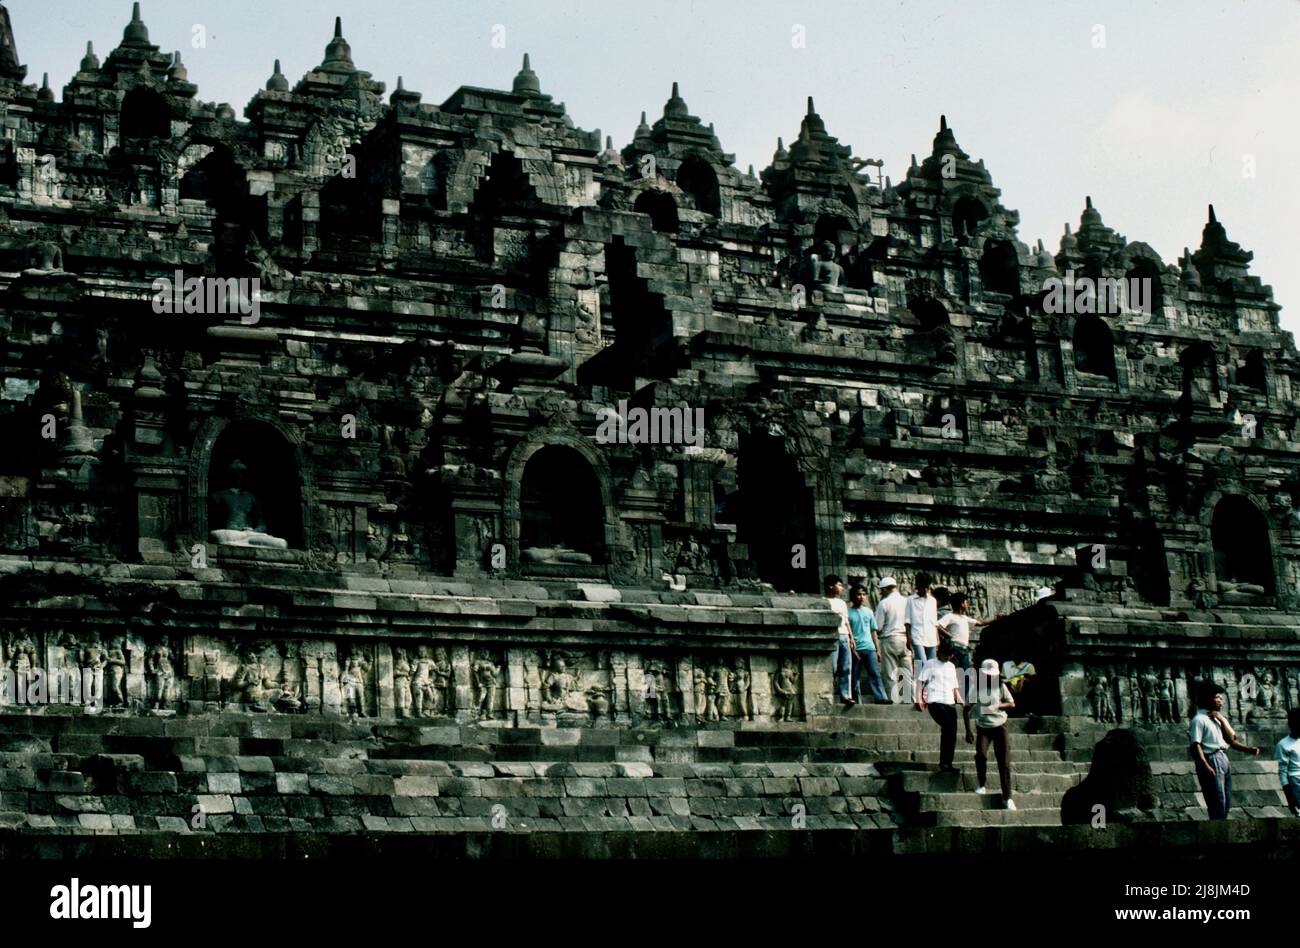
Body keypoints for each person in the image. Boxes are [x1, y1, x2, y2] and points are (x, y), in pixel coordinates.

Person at [1188, 682, 1260, 820]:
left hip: (1223, 758)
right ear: (1208, 698)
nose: (1221, 701)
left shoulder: (1217, 719)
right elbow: (1196, 745)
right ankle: (1217, 828)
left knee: (1226, 798)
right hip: (1211, 758)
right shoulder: (1199, 720)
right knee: (1217, 799)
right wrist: (1205, 765)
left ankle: (1222, 824)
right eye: (1218, 698)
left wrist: (1248, 749)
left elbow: (1231, 739)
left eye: (1222, 698)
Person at [964, 659, 1016, 810]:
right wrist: (968, 730)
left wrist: (998, 705)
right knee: (981, 754)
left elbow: (1012, 703)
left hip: (1000, 725)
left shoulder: (1000, 686)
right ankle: (981, 784)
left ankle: (1008, 797)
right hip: (983, 726)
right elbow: (966, 709)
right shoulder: (976, 688)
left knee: (1004, 761)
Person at [916, 640, 963, 774]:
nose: (948, 657)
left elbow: (954, 687)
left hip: (949, 701)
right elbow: (920, 681)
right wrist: (918, 698)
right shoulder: (930, 664)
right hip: (934, 700)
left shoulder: (951, 667)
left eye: (950, 655)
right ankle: (944, 763)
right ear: (939, 652)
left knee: (952, 733)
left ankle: (947, 763)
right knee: (947, 726)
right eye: (946, 654)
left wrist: (960, 700)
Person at [847, 584, 888, 704]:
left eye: (864, 594)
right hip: (856, 648)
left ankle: (881, 698)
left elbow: (873, 632)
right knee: (854, 676)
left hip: (870, 648)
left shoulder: (869, 612)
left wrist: (878, 650)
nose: (861, 597)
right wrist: (852, 648)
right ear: (853, 596)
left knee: (875, 674)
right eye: (858, 594)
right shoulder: (848, 612)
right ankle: (855, 699)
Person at [874, 577, 910, 703]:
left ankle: (894, 701)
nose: (881, 593)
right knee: (907, 672)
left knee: (890, 674)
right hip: (906, 639)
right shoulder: (906, 601)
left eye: (881, 590)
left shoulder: (884, 603)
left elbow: (877, 626)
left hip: (889, 639)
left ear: (885, 589)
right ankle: (910, 700)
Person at [825, 574, 855, 706]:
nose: (841, 588)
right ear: (831, 586)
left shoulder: (842, 603)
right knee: (832, 667)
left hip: (844, 635)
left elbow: (846, 621)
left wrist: (851, 637)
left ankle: (845, 695)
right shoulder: (824, 602)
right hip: (832, 635)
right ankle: (828, 693)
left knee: (846, 666)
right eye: (839, 585)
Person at [905, 571, 939, 664]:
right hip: (917, 635)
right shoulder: (910, 600)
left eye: (927, 587)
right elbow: (907, 621)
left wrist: (937, 638)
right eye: (923, 587)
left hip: (931, 636)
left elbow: (935, 622)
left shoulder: (932, 601)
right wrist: (908, 638)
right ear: (918, 586)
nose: (925, 589)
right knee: (922, 663)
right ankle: (919, 678)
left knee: (931, 665)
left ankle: (919, 679)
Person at [1276, 707, 1300, 817]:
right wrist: (1289, 797)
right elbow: (1283, 772)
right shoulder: (1283, 744)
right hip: (1295, 781)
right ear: (1291, 724)